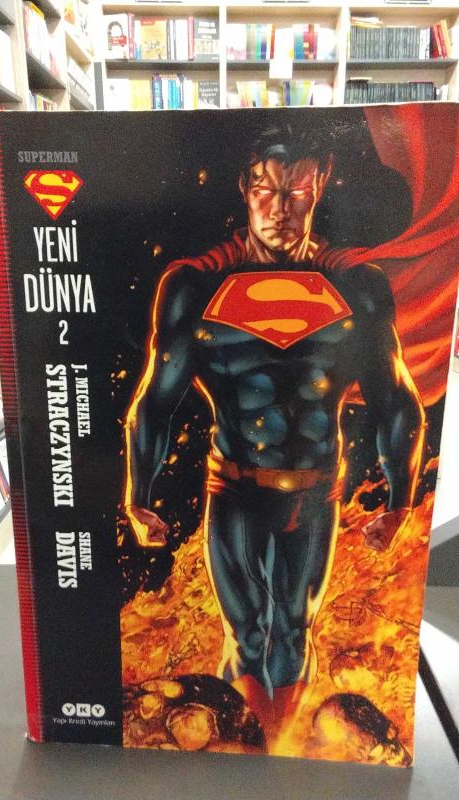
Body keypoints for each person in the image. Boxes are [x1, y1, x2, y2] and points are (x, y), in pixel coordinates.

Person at [123, 126, 425, 728]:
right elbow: (154, 401)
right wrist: (138, 497)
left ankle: (279, 747)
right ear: (245, 188)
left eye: (296, 193)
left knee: (292, 629)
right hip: (234, 490)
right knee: (246, 633)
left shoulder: (358, 288)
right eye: (265, 190)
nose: (279, 210)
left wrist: (400, 503)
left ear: (320, 188)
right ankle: (249, 742)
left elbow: (397, 401)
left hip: (314, 493)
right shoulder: (194, 287)